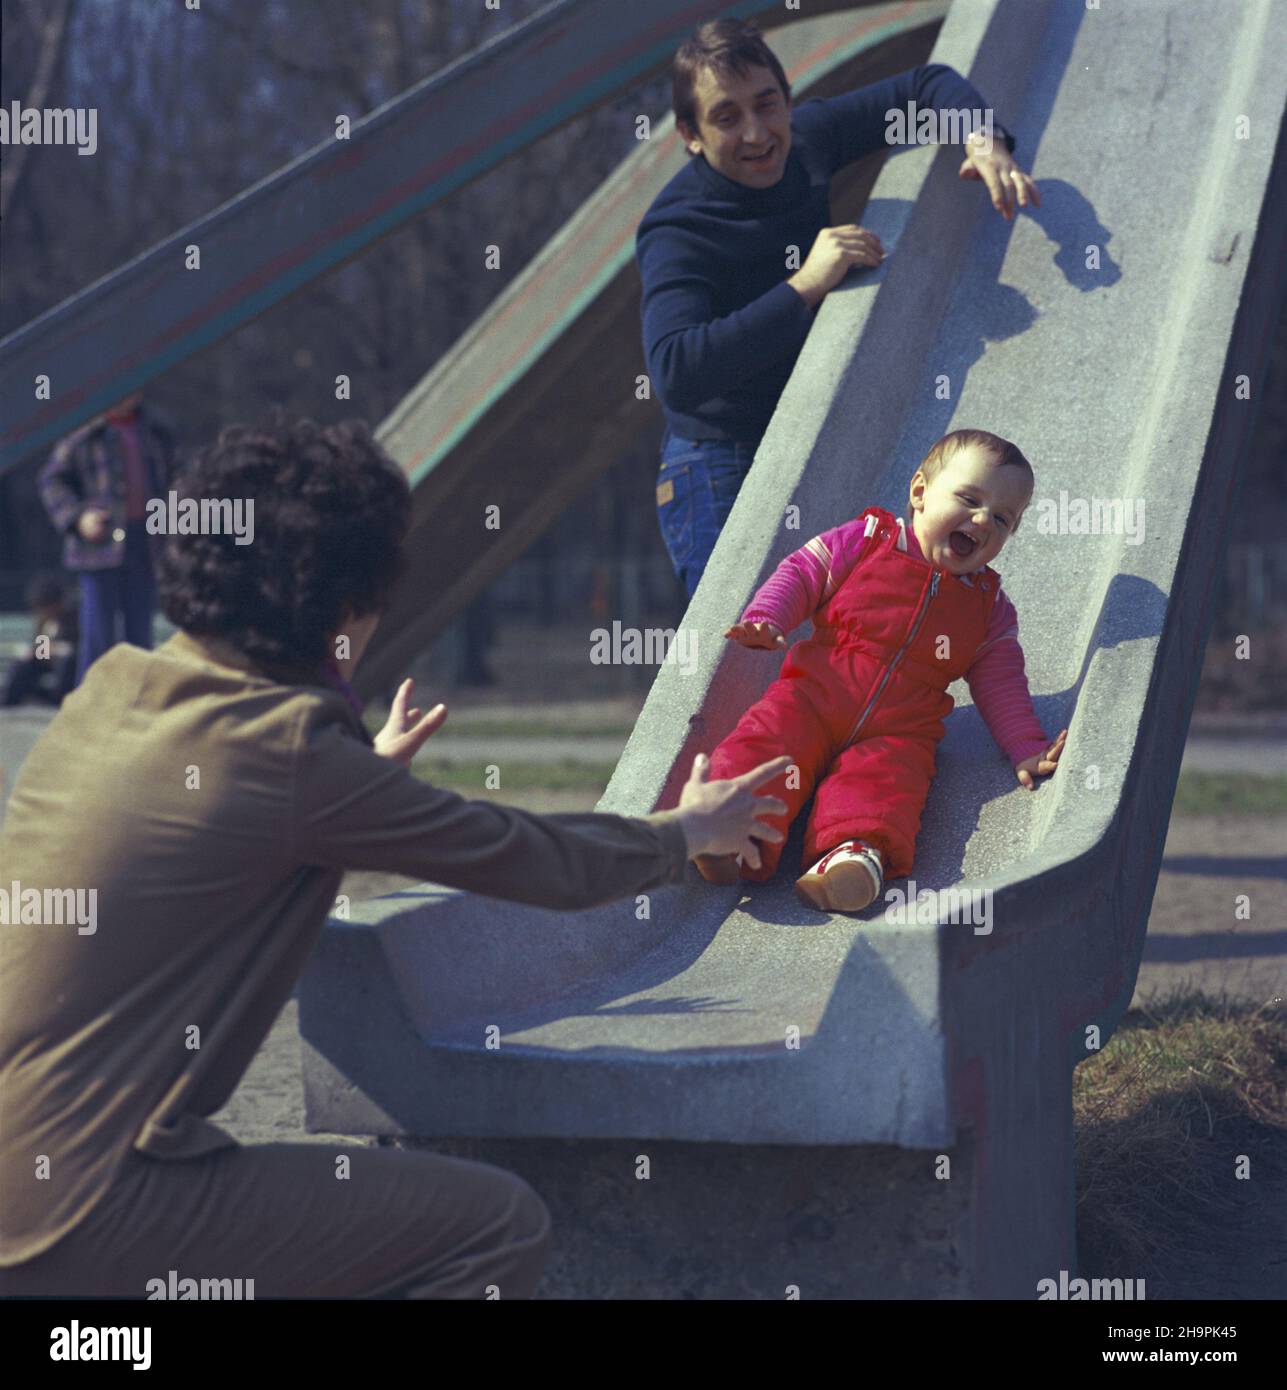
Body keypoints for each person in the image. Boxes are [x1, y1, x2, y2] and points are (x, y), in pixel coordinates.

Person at [0, 415, 790, 1299]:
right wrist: (686, 830)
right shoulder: (290, 750)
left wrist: (359, 778)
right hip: (78, 1209)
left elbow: (212, 822)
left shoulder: (113, 688)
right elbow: (533, 859)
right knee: (493, 1228)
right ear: (344, 606)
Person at [637, 18, 1041, 598]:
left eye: (766, 104)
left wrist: (982, 138)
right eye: (726, 117)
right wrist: (804, 285)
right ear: (691, 134)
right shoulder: (677, 228)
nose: (756, 133)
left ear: (788, 99)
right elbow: (676, 373)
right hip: (717, 461)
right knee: (740, 647)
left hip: (807, 426)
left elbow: (926, 86)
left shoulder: (805, 138)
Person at [688, 429, 1069, 913]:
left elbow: (1002, 682)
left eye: (1002, 519)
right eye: (969, 499)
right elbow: (803, 572)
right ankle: (729, 831)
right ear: (919, 493)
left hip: (899, 729)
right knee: (767, 745)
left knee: (886, 787)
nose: (982, 520)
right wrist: (769, 617)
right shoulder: (867, 541)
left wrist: (1026, 747)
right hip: (811, 697)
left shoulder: (989, 607)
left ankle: (847, 860)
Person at [36, 390, 175, 685]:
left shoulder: (155, 430)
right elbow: (51, 479)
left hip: (145, 540)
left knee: (140, 632)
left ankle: (138, 701)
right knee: (98, 632)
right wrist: (77, 517)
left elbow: (176, 478)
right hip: (101, 544)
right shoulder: (85, 431)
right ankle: (90, 704)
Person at [1, 574, 78, 708]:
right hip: (46, 661)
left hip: (68, 664)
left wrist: (56, 649)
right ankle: (9, 704)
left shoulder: (74, 618)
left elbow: (76, 648)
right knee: (22, 666)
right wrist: (33, 651)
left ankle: (58, 704)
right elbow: (40, 643)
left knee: (66, 664)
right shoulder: (43, 621)